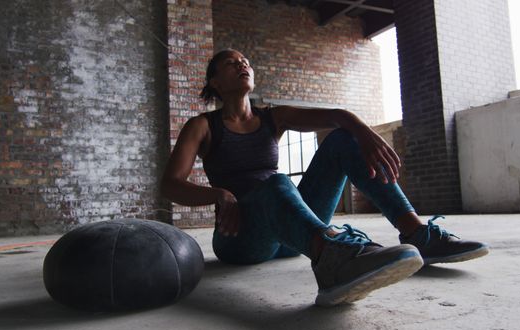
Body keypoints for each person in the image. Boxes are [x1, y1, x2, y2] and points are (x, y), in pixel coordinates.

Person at [161, 49, 489, 307]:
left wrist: (362, 131)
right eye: (231, 63)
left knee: (342, 139)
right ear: (215, 81)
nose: (242, 64)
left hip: (292, 233)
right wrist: (220, 195)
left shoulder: (272, 117)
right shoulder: (202, 126)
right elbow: (170, 183)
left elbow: (335, 117)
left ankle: (416, 233)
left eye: (245, 61)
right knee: (278, 183)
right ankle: (332, 261)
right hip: (242, 241)